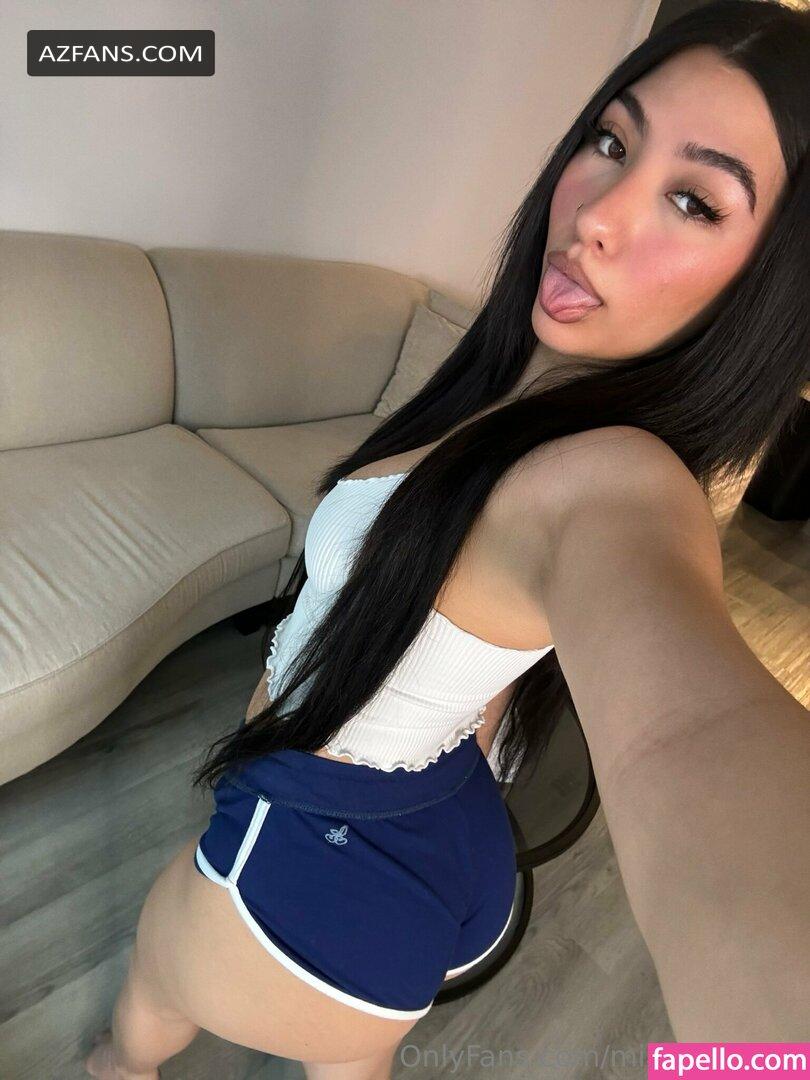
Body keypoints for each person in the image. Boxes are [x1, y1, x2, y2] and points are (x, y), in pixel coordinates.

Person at [85, 2, 810, 1077]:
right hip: (426, 823)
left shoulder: (612, 483)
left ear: (770, 290)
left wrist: (767, 1054)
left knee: (150, 991)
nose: (598, 213)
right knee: (350, 1057)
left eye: (696, 201)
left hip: (312, 832)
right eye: (612, 141)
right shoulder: (525, 383)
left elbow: (694, 735)